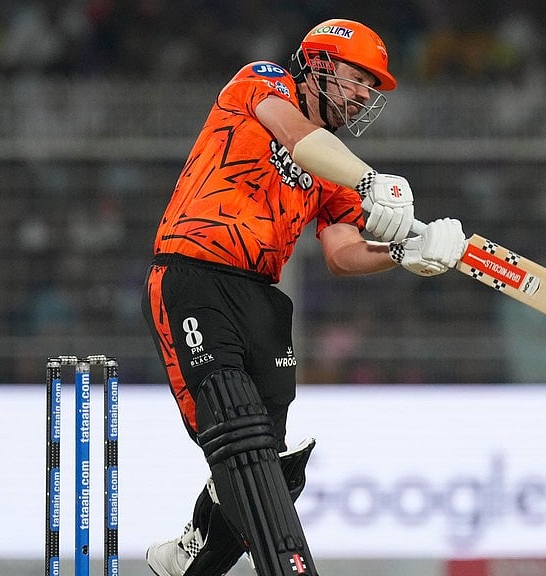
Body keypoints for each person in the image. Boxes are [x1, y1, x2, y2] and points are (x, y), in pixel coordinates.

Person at [141, 18, 466, 576]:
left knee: (273, 465)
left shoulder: (335, 169)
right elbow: (295, 135)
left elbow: (342, 251)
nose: (363, 95)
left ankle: (193, 550)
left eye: (372, 87)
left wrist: (404, 252)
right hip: (195, 274)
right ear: (317, 63)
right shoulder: (263, 81)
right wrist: (371, 179)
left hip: (262, 298)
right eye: (358, 78)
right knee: (238, 432)